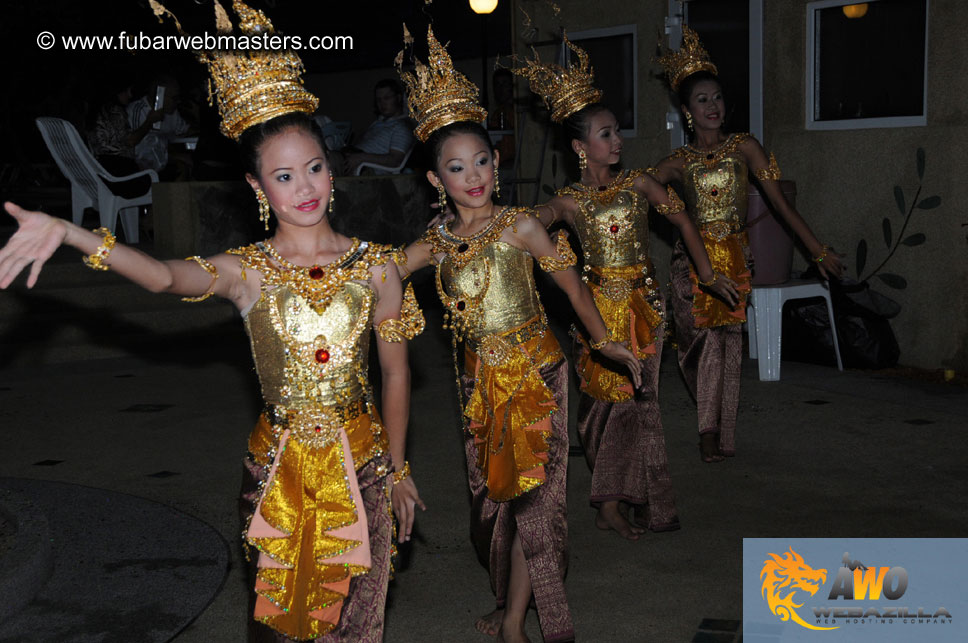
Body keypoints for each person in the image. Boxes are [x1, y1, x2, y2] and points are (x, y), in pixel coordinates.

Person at [0, 3, 425, 641]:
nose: (304, 187)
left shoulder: (378, 267)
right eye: (284, 176)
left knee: (356, 626)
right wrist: (71, 233)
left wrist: (398, 470)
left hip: (362, 466)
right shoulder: (246, 271)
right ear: (258, 188)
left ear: (330, 167)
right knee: (284, 626)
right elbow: (163, 276)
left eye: (314, 167)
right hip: (277, 470)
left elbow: (395, 375)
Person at [395, 28, 642, 643]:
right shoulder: (437, 243)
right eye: (456, 167)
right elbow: (383, 272)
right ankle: (508, 596)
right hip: (478, 385)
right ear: (436, 180)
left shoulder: (521, 226)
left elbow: (574, 291)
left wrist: (605, 341)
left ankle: (515, 622)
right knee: (491, 504)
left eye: (481, 160)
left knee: (535, 500)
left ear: (497, 162)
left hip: (538, 375)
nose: (472, 175)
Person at [513, 35, 737, 538]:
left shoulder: (640, 184)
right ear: (580, 147)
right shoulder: (569, 200)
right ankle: (611, 499)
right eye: (606, 133)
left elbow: (683, 221)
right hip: (595, 313)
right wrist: (504, 223)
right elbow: (535, 220)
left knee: (641, 404)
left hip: (645, 308)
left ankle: (625, 502)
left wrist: (706, 273)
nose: (617, 140)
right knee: (600, 410)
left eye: (616, 131)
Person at [652, 27, 845, 462]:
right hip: (690, 263)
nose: (713, 106)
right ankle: (709, 423)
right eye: (702, 100)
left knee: (728, 345)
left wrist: (817, 251)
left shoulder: (745, 147)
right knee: (698, 345)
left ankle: (714, 432)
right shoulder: (677, 163)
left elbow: (781, 206)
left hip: (736, 258)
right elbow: (638, 192)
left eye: (717, 97)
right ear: (686, 111)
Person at [88, 77, 162, 196]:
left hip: (101, 172)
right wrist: (150, 121)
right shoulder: (114, 110)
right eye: (126, 91)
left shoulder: (95, 111)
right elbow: (131, 141)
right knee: (166, 177)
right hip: (118, 175)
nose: (130, 95)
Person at [341, 79, 415, 175]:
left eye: (386, 98)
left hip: (366, 167)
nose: (382, 103)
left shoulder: (402, 127)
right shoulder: (379, 123)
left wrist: (360, 157)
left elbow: (395, 160)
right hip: (350, 156)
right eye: (378, 100)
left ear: (398, 98)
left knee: (330, 160)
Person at [127, 73, 192, 177]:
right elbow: (134, 148)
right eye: (174, 98)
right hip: (142, 168)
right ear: (159, 96)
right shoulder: (137, 111)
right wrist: (149, 121)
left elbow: (184, 131)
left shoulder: (172, 112)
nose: (178, 101)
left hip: (163, 161)